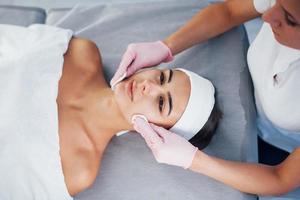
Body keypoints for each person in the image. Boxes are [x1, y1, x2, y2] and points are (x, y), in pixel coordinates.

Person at [0, 24, 220, 199]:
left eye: (161, 103)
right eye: (162, 77)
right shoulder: (82, 54)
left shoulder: (79, 169)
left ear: (158, 134)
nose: (149, 87)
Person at [110, 0, 300, 196]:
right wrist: (166, 46)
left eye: (290, 20)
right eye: (161, 76)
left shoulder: (85, 171)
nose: (267, 17)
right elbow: (229, 11)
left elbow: (281, 178)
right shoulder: (86, 56)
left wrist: (193, 161)